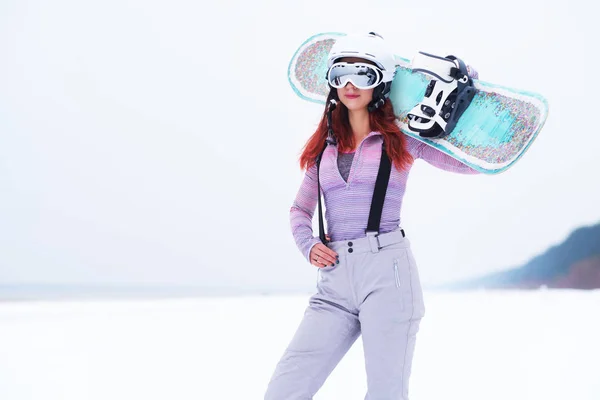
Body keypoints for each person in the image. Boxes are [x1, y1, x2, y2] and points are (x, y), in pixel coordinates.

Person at [264, 32, 480, 400]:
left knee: (385, 392)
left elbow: (472, 165)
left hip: (388, 275)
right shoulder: (324, 151)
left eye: (362, 75)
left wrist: (465, 93)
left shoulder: (402, 141)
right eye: (340, 74)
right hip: (334, 282)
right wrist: (309, 244)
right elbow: (300, 210)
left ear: (381, 81)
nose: (350, 84)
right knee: (286, 387)